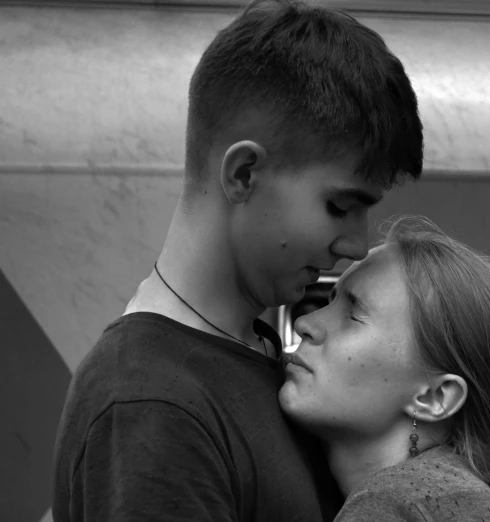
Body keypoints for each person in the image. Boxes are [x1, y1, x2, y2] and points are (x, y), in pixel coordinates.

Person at [51, 0, 423, 520]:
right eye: (339, 206)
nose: (356, 247)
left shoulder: (258, 356)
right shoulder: (151, 408)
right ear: (244, 174)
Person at [279, 216, 490, 522]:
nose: (306, 324)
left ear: (434, 397)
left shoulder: (394, 504)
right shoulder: (446, 497)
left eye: (353, 315)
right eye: (330, 301)